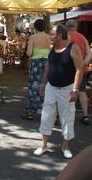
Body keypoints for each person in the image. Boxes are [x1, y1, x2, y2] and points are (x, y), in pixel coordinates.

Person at [34, 25, 83, 159]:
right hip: (51, 87)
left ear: (60, 36)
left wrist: (75, 90)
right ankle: (43, 145)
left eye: (52, 35)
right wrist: (43, 83)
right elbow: (48, 66)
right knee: (46, 115)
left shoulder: (73, 48)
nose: (49, 37)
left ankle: (65, 147)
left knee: (67, 117)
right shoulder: (52, 48)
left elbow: (79, 69)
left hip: (67, 89)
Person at [22, 19, 51, 120]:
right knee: (47, 87)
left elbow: (29, 53)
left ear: (35, 27)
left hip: (36, 64)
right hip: (47, 63)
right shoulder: (49, 37)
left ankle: (30, 112)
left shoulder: (33, 37)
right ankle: (49, 113)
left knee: (33, 87)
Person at [66, 19, 91, 125]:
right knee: (82, 91)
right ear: (76, 26)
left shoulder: (65, 36)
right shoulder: (82, 37)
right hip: (82, 69)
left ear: (67, 26)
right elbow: (89, 53)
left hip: (68, 69)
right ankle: (85, 116)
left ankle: (62, 114)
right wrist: (84, 63)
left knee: (65, 90)